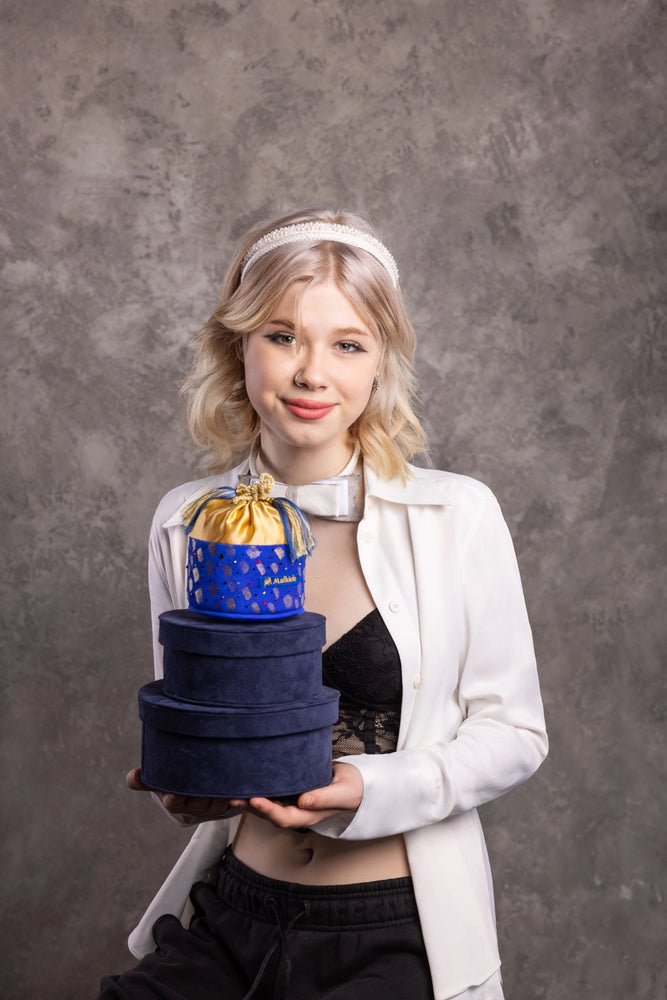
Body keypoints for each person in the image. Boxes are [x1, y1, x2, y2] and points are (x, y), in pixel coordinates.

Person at [99, 208, 547, 1000]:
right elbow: (204, 721)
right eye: (281, 335)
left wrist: (370, 789)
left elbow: (514, 733)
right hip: (230, 916)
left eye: (347, 344)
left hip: (392, 932)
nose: (312, 373)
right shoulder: (185, 520)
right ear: (236, 347)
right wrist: (192, 783)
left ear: (379, 364)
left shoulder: (457, 514)